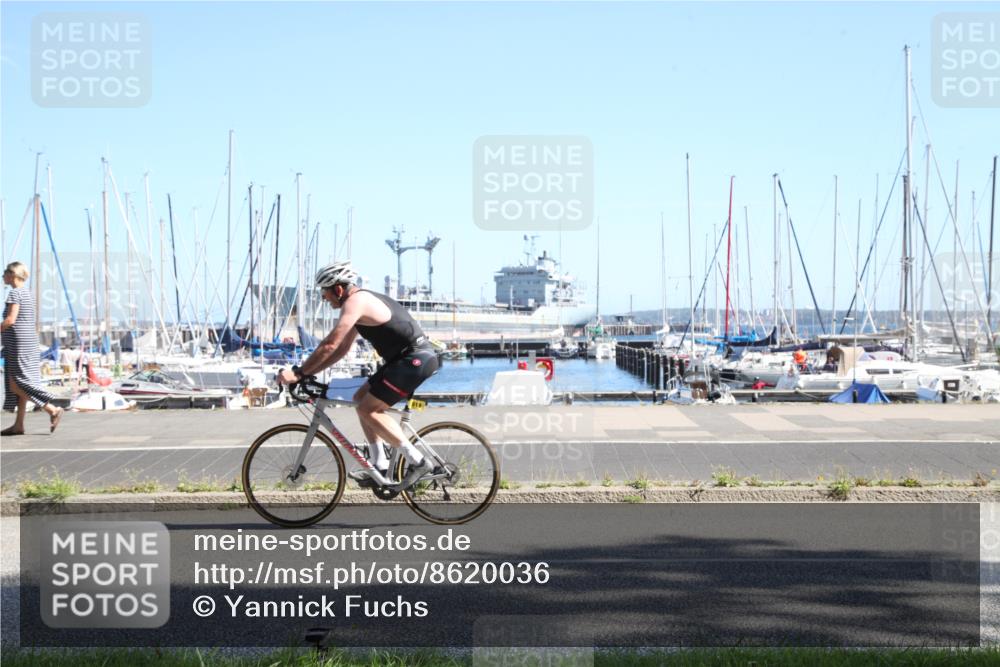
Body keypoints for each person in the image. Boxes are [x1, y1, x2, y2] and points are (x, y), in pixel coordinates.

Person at [277, 261, 440, 487]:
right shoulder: (358, 302)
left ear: (338, 289)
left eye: (325, 293)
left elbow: (330, 344)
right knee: (360, 399)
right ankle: (380, 464)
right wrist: (307, 374)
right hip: (405, 359)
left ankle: (418, 461)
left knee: (367, 409)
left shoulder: (356, 302)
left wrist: (298, 373)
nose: (324, 299)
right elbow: (341, 349)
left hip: (413, 359)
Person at [2, 262, 63, 435]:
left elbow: (10, 320)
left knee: (16, 384)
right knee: (22, 382)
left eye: (4, 273)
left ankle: (52, 410)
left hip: (17, 343)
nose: (2, 276)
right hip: (27, 341)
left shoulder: (14, 293)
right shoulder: (27, 293)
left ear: (12, 274)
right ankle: (18, 425)